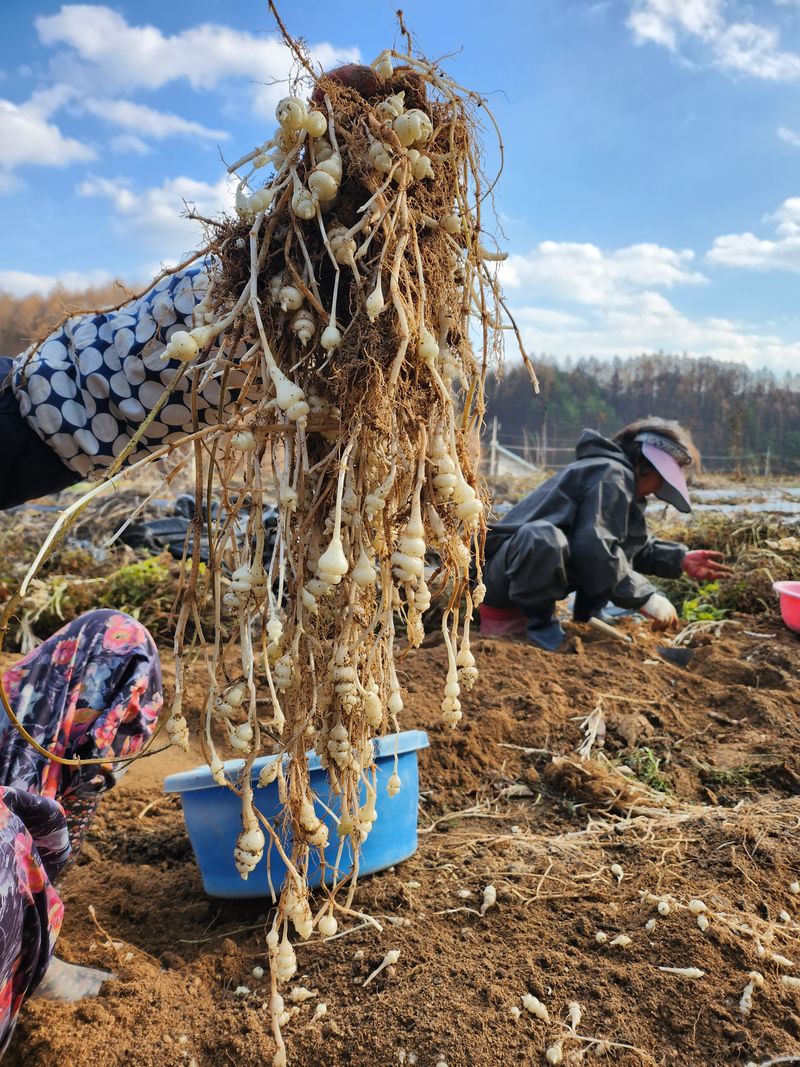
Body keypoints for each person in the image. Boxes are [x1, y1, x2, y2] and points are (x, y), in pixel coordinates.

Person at [480, 418, 732, 650]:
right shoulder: (611, 474)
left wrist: (679, 558)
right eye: (661, 477)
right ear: (645, 466)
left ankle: (589, 614)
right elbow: (594, 548)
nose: (658, 488)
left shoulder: (619, 480)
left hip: (521, 574)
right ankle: (539, 629)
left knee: (599, 551)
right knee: (546, 537)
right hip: (500, 584)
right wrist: (645, 597)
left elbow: (628, 545)